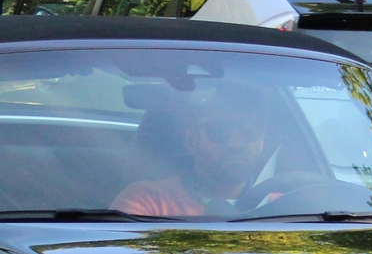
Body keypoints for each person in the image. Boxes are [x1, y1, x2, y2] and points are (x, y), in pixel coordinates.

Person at [113, 89, 279, 217]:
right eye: (218, 131)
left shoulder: (283, 205)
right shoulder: (147, 202)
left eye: (249, 131)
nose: (235, 144)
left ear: (262, 141)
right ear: (191, 141)